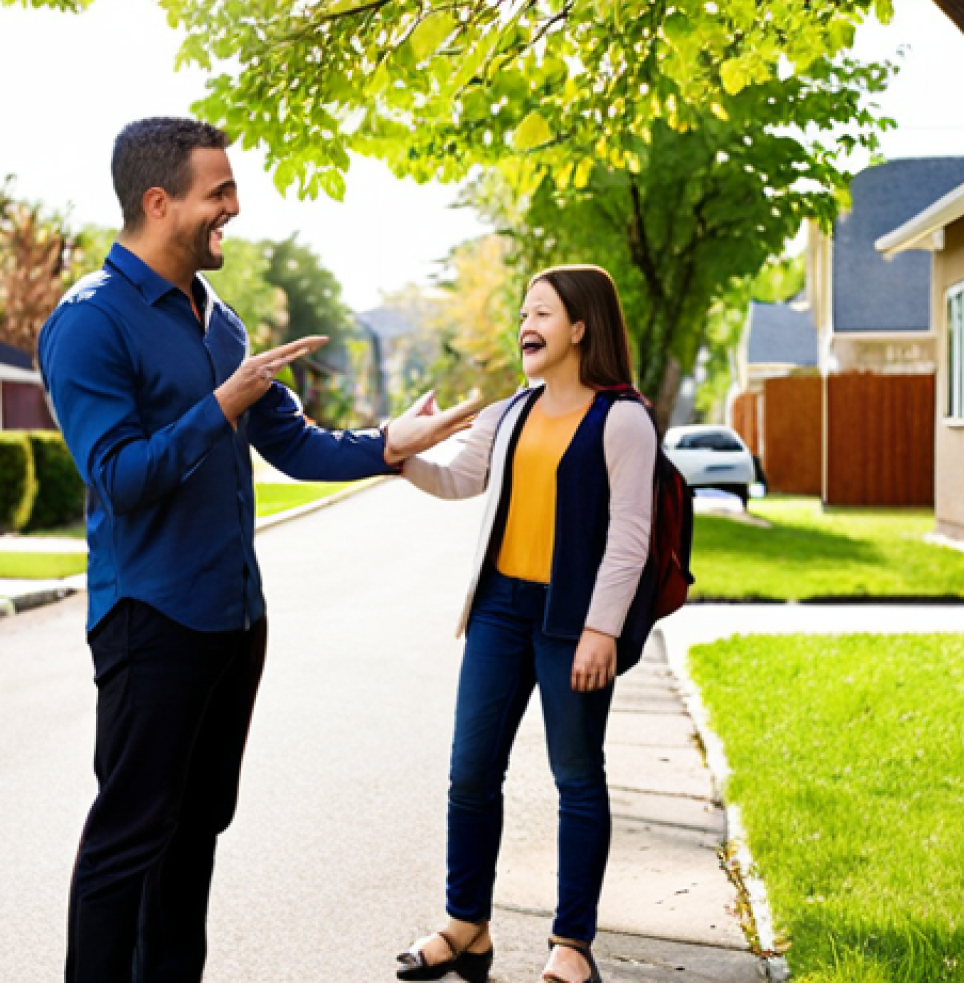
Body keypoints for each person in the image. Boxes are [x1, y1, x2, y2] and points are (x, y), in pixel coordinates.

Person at [37, 116, 479, 983]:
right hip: (148, 620)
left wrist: (394, 441)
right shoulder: (89, 322)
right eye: (219, 192)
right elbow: (119, 476)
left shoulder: (222, 322)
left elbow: (295, 442)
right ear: (159, 202)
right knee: (129, 839)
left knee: (196, 830)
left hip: (235, 621)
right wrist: (222, 401)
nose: (234, 207)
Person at [396, 265, 657, 983]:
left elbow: (631, 535)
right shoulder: (512, 412)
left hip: (572, 620)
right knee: (470, 772)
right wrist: (401, 453)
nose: (525, 325)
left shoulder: (623, 417)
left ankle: (571, 945)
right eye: (521, 313)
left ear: (580, 328)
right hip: (500, 610)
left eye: (541, 312)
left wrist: (602, 629)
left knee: (576, 776)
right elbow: (458, 478)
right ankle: (466, 925)